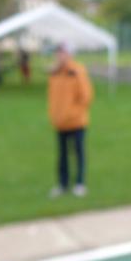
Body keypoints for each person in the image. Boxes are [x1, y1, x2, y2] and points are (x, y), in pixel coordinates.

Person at [48, 44, 94, 197]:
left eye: (63, 53)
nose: (60, 56)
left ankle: (80, 183)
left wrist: (73, 113)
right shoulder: (55, 73)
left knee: (78, 152)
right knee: (62, 155)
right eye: (58, 53)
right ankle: (63, 184)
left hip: (76, 122)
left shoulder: (77, 71)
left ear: (69, 54)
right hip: (60, 122)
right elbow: (53, 98)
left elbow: (86, 97)